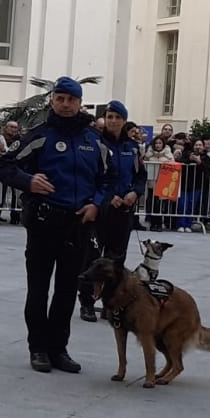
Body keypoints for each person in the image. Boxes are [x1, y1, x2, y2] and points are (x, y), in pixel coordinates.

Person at [0, 77, 112, 374]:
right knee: (38, 289)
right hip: (44, 222)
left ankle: (59, 349)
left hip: (77, 225)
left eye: (71, 99)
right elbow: (6, 166)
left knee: (66, 290)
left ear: (80, 103)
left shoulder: (94, 140)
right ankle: (38, 348)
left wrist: (97, 204)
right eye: (59, 98)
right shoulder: (39, 136)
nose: (65, 104)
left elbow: (109, 179)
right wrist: (29, 181)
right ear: (52, 101)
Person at [76, 100, 146, 322]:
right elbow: (91, 176)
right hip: (100, 211)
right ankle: (87, 302)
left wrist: (135, 192)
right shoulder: (95, 143)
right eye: (110, 117)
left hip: (123, 212)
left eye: (117, 117)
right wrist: (108, 197)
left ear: (124, 121)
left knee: (116, 260)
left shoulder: (132, 147)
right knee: (92, 258)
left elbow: (140, 176)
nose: (113, 121)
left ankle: (110, 303)